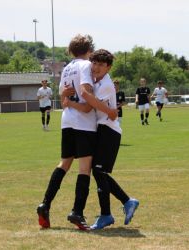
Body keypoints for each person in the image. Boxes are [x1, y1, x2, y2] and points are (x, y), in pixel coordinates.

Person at [65, 49, 139, 230]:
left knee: (98, 171)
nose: (96, 67)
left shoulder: (105, 84)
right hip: (102, 130)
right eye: (94, 63)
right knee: (99, 172)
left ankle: (109, 212)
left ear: (108, 67)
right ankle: (124, 203)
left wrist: (72, 98)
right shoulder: (96, 81)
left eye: (101, 65)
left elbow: (88, 103)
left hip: (109, 131)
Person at [37, 34, 103, 230]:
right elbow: (85, 91)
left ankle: (45, 204)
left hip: (67, 120)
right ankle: (77, 211)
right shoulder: (85, 66)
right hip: (83, 121)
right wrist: (92, 104)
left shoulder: (66, 68)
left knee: (64, 163)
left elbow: (61, 94)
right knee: (84, 168)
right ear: (89, 50)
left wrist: (69, 101)